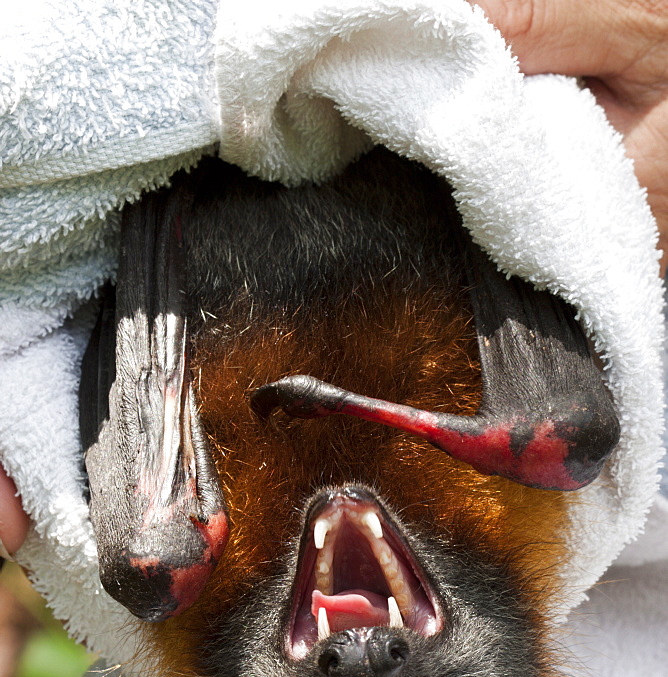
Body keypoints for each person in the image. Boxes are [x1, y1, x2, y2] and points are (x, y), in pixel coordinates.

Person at [1, 0, 666, 561]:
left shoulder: (172, 535)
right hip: (408, 196)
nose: (362, 662)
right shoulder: (524, 471)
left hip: (191, 239)